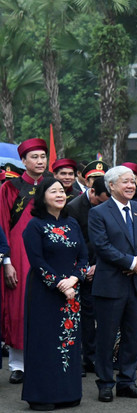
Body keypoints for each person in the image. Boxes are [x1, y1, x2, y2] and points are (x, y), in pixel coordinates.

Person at [89, 166, 137, 402]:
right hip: (111, 283)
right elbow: (102, 246)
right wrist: (129, 262)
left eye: (133, 181)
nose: (131, 186)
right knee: (107, 336)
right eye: (125, 182)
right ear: (111, 186)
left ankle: (128, 381)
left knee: (132, 333)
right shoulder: (99, 213)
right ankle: (105, 382)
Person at [22, 178, 88, 410]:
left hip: (72, 293)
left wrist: (75, 278)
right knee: (45, 341)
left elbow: (84, 257)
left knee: (68, 342)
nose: (60, 195)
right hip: (45, 292)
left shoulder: (73, 224)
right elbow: (37, 261)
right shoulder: (35, 226)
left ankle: (68, 393)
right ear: (42, 196)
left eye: (62, 191)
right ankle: (41, 395)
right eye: (54, 191)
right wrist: (61, 283)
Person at [1, 138, 49, 384]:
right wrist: (7, 260)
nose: (40, 161)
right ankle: (17, 364)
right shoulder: (10, 188)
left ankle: (44, 359)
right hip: (19, 254)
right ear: (23, 161)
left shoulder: (53, 185)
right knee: (19, 306)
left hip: (49, 253)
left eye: (43, 156)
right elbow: (2, 225)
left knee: (47, 306)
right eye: (34, 157)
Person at [65, 177, 111, 376]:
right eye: (100, 202)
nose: (102, 206)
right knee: (79, 315)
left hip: (101, 266)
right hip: (77, 269)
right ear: (91, 192)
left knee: (95, 313)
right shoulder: (74, 208)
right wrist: (85, 268)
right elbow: (75, 242)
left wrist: (97, 265)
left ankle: (93, 357)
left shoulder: (109, 205)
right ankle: (80, 357)